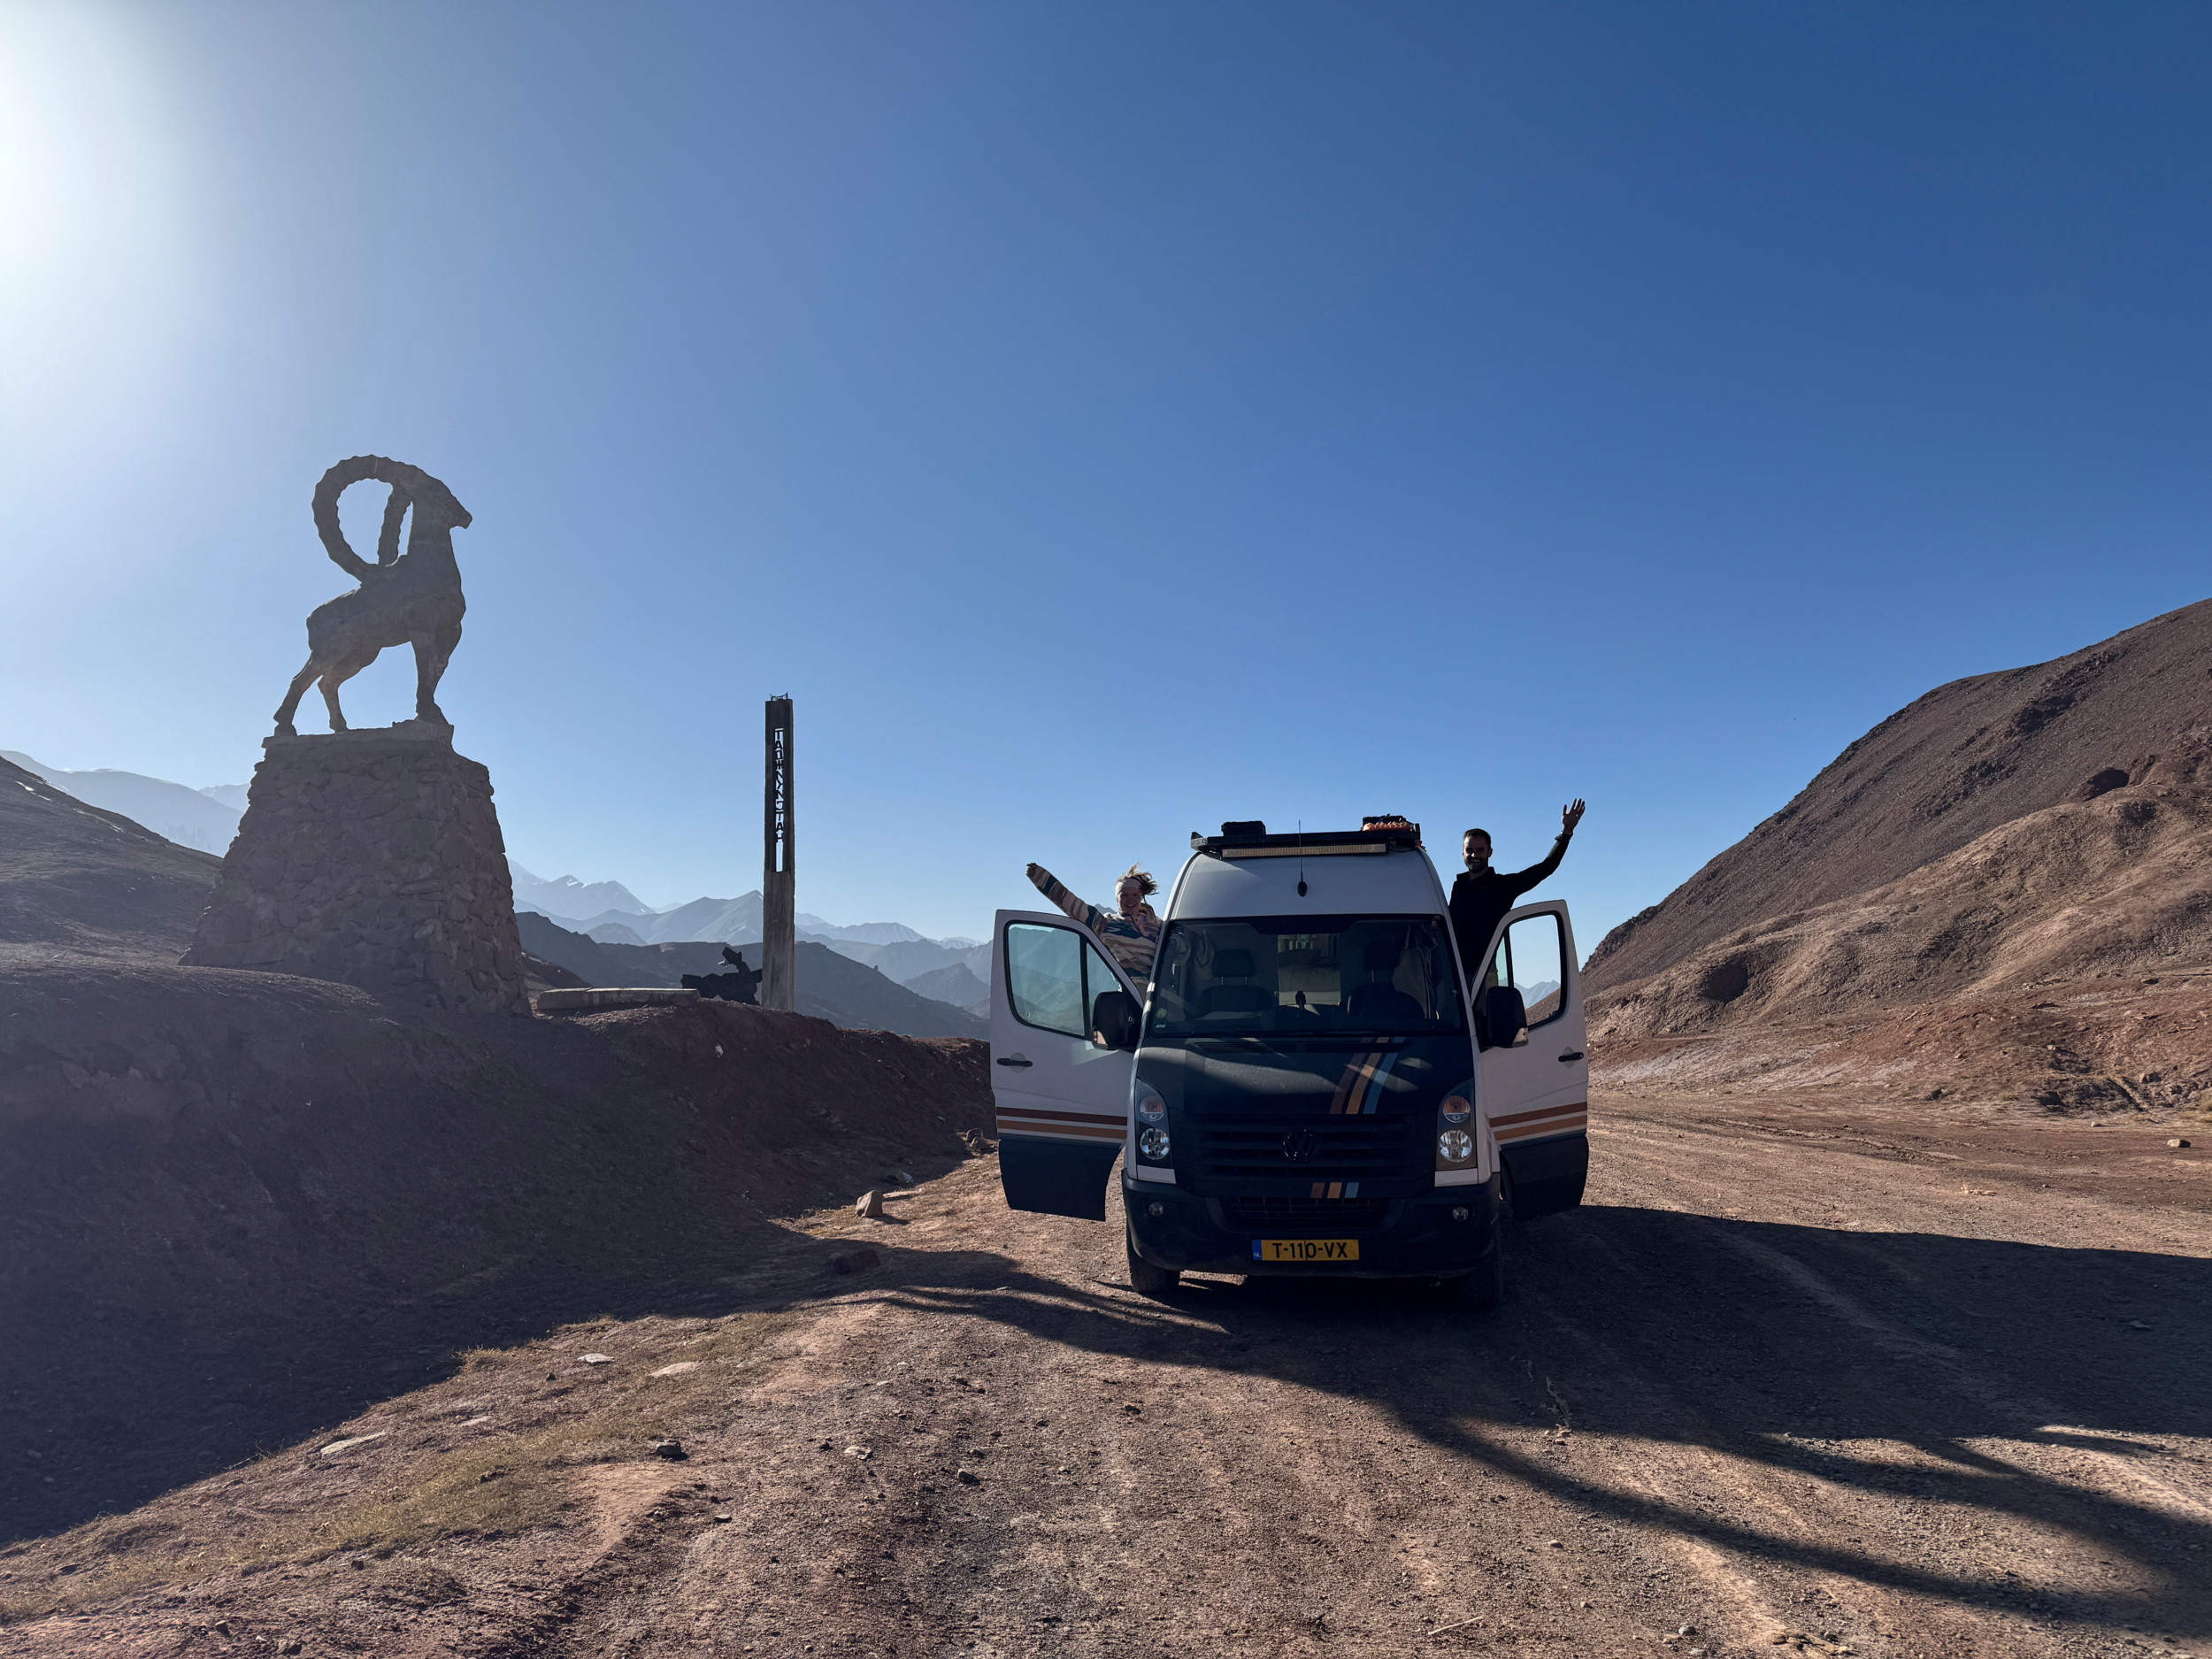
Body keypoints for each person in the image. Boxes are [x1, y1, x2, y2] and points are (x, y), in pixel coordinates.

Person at [1448, 800, 1586, 978]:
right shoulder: (1458, 887)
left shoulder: (1503, 887)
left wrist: (1566, 833)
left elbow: (1546, 867)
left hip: (1483, 975)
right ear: (1462, 853)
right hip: (1450, 972)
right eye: (1470, 850)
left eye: (1480, 850)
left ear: (1490, 852)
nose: (1474, 855)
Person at [1026, 861, 1163, 983]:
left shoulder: (1159, 925)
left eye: (1135, 895)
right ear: (1117, 899)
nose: (1130, 900)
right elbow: (1073, 905)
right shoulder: (1106, 925)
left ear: (1142, 897)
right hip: (1132, 993)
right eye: (1124, 895)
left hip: (1161, 993)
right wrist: (1041, 877)